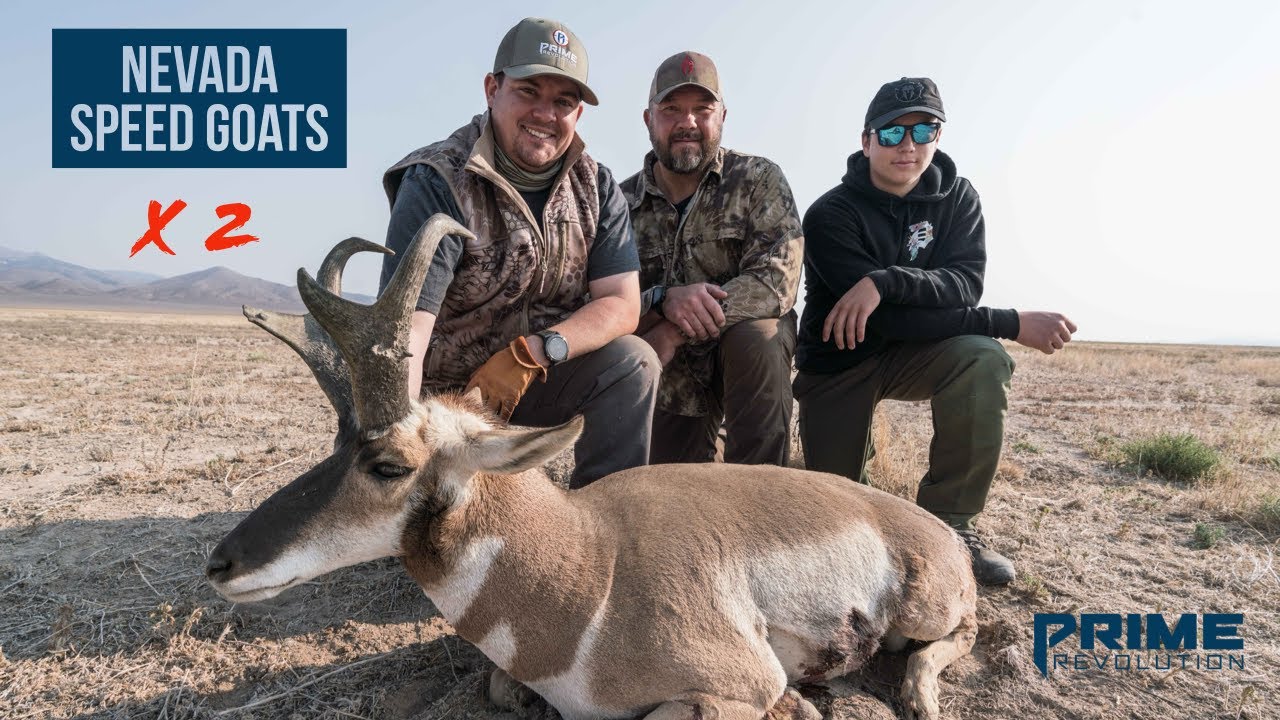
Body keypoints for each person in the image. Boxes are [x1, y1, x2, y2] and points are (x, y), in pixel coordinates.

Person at [793, 77, 1076, 585]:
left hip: (923, 353)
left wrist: (884, 280)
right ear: (865, 140)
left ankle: (953, 526)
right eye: (891, 133)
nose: (907, 145)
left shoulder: (958, 198)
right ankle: (858, 499)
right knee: (835, 521)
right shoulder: (830, 214)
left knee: (982, 356)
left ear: (938, 137)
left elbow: (964, 285)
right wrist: (1010, 321)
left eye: (923, 130)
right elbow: (892, 319)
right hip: (842, 360)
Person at [378, 17, 659, 489]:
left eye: (563, 101)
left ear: (578, 114)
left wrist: (534, 354)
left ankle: (607, 521)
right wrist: (404, 441)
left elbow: (621, 302)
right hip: (447, 402)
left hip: (534, 379)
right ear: (492, 89)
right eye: (529, 91)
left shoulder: (596, 186)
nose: (545, 114)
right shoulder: (437, 180)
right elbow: (408, 329)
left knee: (633, 362)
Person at [621, 51, 804, 465]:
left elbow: (776, 281)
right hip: (668, 373)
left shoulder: (758, 179)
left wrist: (675, 328)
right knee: (665, 499)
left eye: (702, 109)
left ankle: (763, 505)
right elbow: (602, 297)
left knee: (759, 338)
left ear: (722, 117)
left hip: (739, 354)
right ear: (649, 120)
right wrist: (662, 300)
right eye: (671, 109)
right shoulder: (617, 204)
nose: (688, 122)